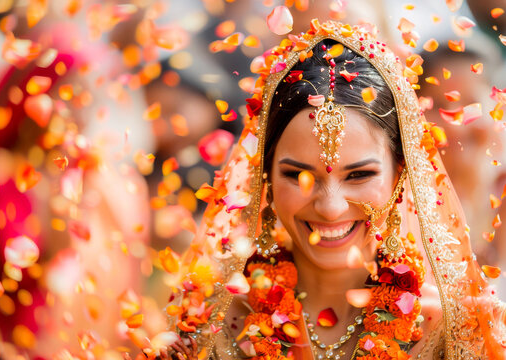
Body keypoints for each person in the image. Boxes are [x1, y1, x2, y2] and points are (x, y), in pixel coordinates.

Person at [150, 20, 506, 360]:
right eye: (299, 176)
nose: (331, 208)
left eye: (358, 175)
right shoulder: (211, 324)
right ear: (266, 178)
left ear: (401, 172)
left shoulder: (454, 329)